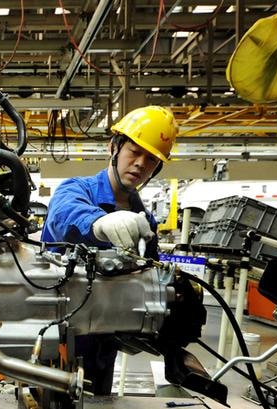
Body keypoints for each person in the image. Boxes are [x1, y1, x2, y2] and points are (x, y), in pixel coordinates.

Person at [40, 105, 178, 395]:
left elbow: (150, 280)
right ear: (113, 147)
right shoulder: (76, 189)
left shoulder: (145, 222)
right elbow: (65, 215)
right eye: (134, 152)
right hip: (58, 338)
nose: (140, 164)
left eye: (151, 159)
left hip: (104, 344)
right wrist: (100, 222)